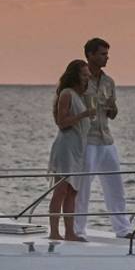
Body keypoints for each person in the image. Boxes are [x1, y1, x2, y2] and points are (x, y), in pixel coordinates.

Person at [73, 38, 133, 239]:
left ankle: (123, 230)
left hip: (106, 139)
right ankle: (77, 229)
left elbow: (113, 112)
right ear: (89, 55)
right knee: (82, 187)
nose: (106, 57)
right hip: (87, 139)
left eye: (107, 54)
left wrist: (112, 108)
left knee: (115, 186)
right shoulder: (79, 80)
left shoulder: (109, 82)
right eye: (102, 54)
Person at [48, 60, 95, 241]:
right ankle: (54, 231)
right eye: (84, 75)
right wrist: (84, 114)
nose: (86, 78)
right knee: (61, 189)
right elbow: (61, 122)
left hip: (77, 148)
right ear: (75, 75)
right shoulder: (67, 94)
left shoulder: (79, 95)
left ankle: (70, 232)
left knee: (73, 191)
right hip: (66, 147)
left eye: (88, 75)